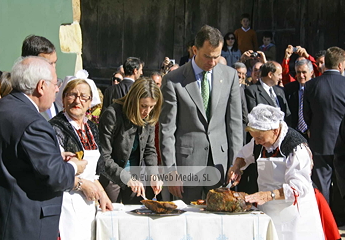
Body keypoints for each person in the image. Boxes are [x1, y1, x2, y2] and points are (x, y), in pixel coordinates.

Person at [0, 56, 87, 240]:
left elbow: (15, 156)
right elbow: (56, 177)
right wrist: (74, 166)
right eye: (56, 84)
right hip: (27, 225)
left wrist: (55, 155)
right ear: (41, 86)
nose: (57, 89)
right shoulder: (34, 123)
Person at [159, 25, 243, 203]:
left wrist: (236, 164)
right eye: (207, 56)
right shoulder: (173, 80)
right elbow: (167, 130)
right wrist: (170, 170)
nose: (212, 62)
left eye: (217, 56)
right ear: (194, 50)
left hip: (220, 165)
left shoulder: (230, 76)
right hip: (187, 166)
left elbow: (235, 124)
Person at [228, 104, 324, 240]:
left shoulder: (296, 148)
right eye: (254, 138)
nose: (257, 142)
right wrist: (236, 167)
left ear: (274, 130)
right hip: (269, 211)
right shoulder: (259, 142)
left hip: (295, 215)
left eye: (260, 138)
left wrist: (268, 195)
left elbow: (298, 188)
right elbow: (243, 156)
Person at [49, 79, 113, 240]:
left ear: (90, 101)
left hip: (88, 203)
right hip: (65, 201)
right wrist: (83, 185)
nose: (78, 101)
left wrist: (102, 195)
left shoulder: (91, 127)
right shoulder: (55, 127)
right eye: (72, 95)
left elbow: (95, 172)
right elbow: (55, 170)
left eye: (84, 96)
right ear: (63, 99)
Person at [98, 78, 163, 204]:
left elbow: (149, 150)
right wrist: (126, 177)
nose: (147, 111)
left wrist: (154, 174)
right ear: (133, 100)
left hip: (136, 175)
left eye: (152, 106)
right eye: (143, 106)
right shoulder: (112, 115)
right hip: (112, 176)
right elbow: (104, 156)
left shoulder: (148, 117)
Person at [303, 46, 345, 225]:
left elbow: (306, 115)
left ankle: (323, 222)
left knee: (321, 185)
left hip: (320, 139)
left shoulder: (312, 85)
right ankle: (341, 218)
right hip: (342, 141)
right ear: (341, 65)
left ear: (324, 64)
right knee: (342, 183)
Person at [21, 35, 60, 120]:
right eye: (49, 64)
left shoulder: (60, 88)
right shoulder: (21, 97)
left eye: (54, 63)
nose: (53, 68)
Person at [284, 59, 313, 140]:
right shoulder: (289, 89)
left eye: (304, 72)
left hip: (313, 133)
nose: (301, 75)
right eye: (298, 72)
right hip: (295, 133)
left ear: (311, 73)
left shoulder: (317, 88)